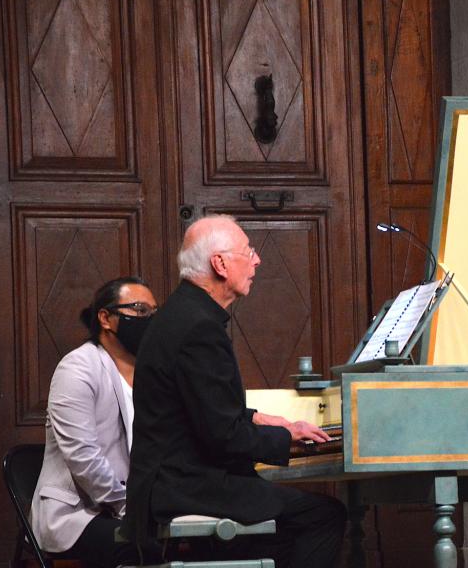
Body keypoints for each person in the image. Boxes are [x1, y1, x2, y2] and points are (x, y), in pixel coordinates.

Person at [121, 214, 345, 567]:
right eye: (248, 251)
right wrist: (286, 440)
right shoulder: (198, 328)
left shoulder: (182, 315)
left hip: (170, 482)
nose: (257, 260)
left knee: (287, 522)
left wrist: (264, 420)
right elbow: (222, 437)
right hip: (187, 486)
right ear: (220, 263)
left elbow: (199, 410)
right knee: (323, 515)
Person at [31, 277, 158, 568]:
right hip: (77, 514)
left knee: (205, 538)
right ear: (105, 318)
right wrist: (132, 508)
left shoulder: (152, 374)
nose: (150, 320)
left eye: (154, 312)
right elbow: (83, 457)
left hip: (134, 507)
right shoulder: (77, 368)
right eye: (140, 310)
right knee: (143, 546)